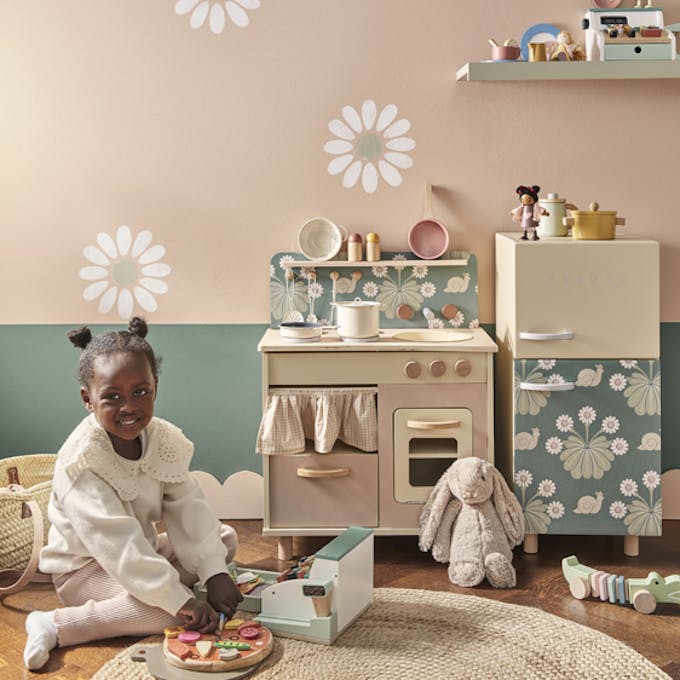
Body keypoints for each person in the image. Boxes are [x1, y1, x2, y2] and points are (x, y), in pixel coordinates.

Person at [24, 317, 243, 670]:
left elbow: (187, 505)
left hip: (139, 551)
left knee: (223, 540)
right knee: (166, 612)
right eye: (112, 397)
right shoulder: (81, 463)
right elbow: (118, 546)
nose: (129, 407)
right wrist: (180, 602)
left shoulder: (163, 439)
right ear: (88, 399)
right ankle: (54, 624)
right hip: (85, 570)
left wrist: (214, 572)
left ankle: (168, 591)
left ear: (155, 387)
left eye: (141, 392)